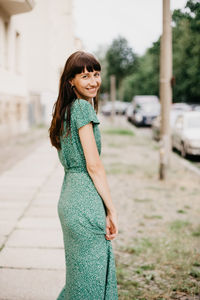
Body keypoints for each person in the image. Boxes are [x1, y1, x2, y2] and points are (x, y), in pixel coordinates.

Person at [49, 50, 118, 300]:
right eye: (85, 76)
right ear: (71, 81)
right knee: (90, 283)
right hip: (85, 202)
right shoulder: (81, 108)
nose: (93, 81)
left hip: (69, 198)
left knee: (79, 280)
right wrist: (112, 209)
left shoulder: (64, 110)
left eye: (96, 74)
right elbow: (94, 166)